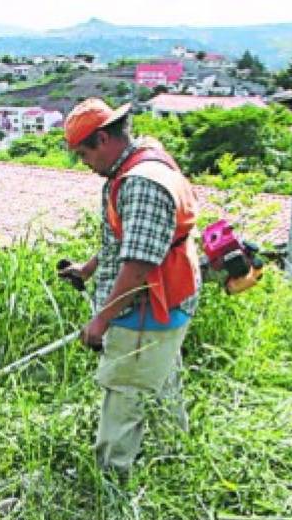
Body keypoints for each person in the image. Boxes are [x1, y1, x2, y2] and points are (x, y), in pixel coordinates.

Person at [57, 98, 201, 477]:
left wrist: (100, 322)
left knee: (124, 391)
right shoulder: (144, 158)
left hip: (148, 306)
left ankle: (111, 478)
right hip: (168, 299)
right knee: (161, 378)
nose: (85, 166)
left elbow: (138, 266)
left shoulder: (141, 184)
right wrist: (88, 270)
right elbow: (129, 239)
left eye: (84, 155)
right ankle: (175, 458)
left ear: (102, 139)